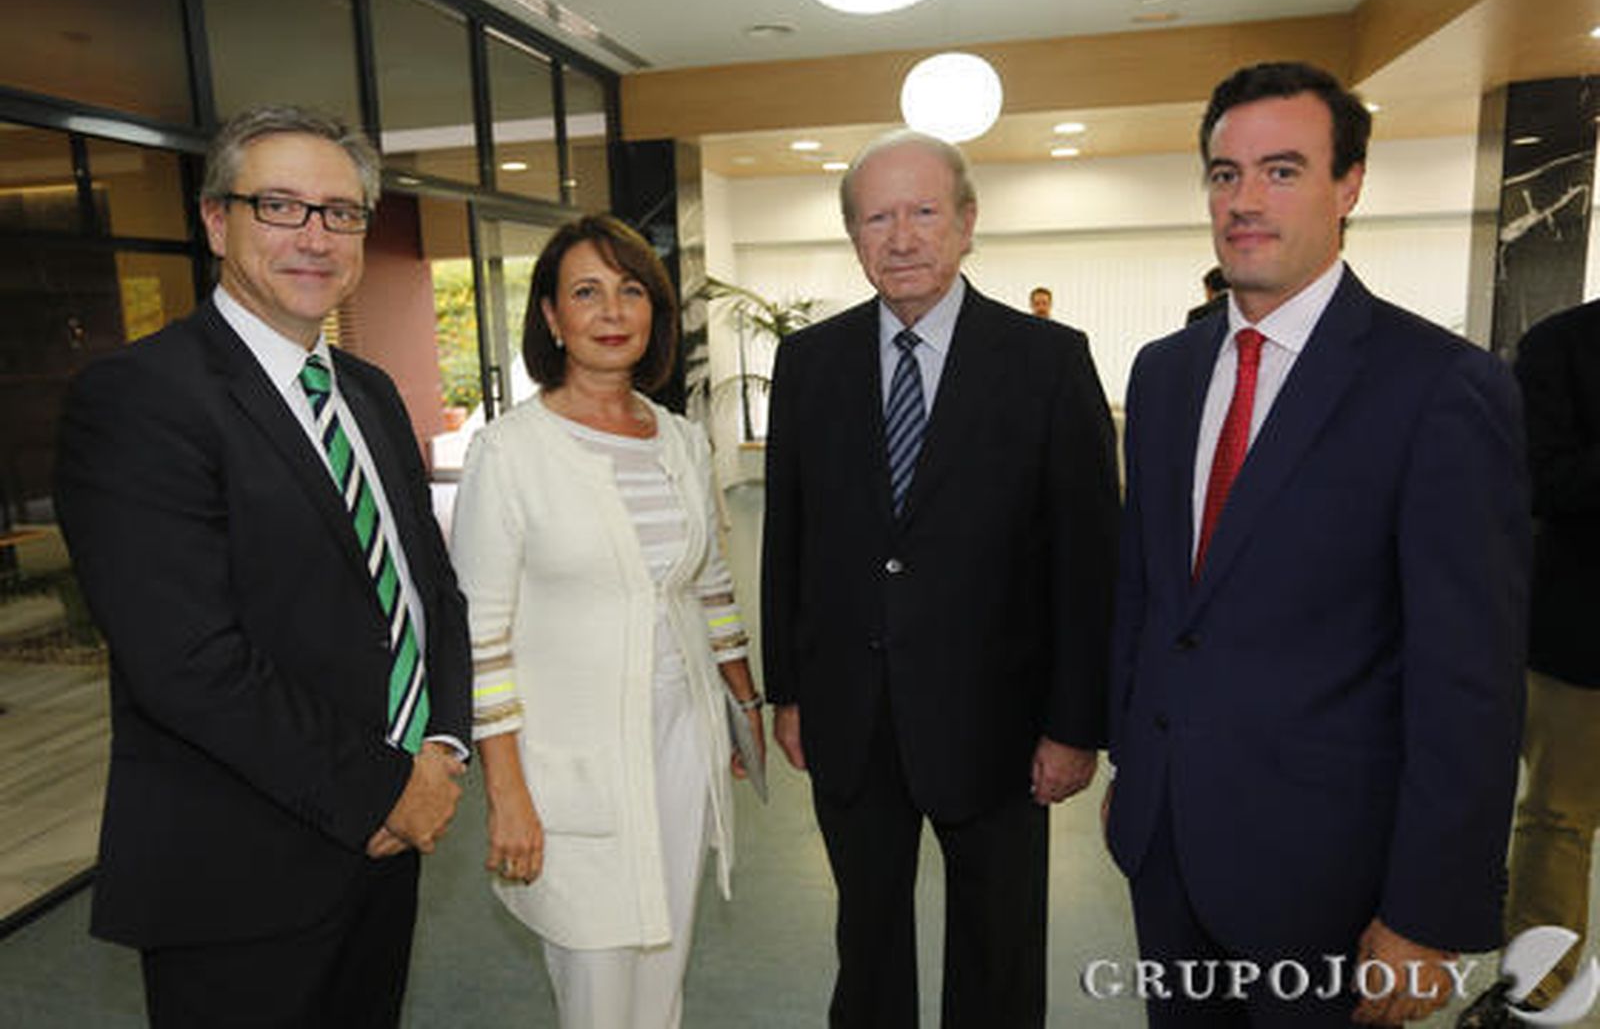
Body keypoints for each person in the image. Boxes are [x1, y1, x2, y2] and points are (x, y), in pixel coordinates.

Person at [1105, 60, 1529, 1026]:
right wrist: (1136, 768)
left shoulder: (1439, 387)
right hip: (1168, 850)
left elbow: (1469, 678)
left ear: (1350, 186)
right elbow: (1150, 595)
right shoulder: (1165, 374)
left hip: (1332, 880)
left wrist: (1427, 911)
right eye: (1225, 174)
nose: (1245, 201)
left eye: (1283, 171)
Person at [54, 105, 471, 1028]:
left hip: (387, 846)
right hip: (241, 875)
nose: (315, 237)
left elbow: (429, 592)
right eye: (279, 206)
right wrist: (385, 788)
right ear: (216, 221)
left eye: (341, 212)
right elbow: (187, 661)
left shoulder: (366, 391)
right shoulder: (140, 398)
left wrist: (441, 748)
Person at [762, 130, 1120, 1028]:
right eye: (876, 217)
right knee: (867, 944)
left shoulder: (1047, 361)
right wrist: (789, 693)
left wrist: (1075, 725)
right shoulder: (809, 363)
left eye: (923, 211)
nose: (902, 237)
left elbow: (1088, 560)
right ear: (854, 235)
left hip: (999, 723)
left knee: (1000, 954)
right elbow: (788, 542)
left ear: (966, 222)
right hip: (853, 713)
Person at [450, 214, 764, 1029]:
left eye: (631, 291)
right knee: (597, 984)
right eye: (586, 292)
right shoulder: (511, 453)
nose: (613, 311)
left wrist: (742, 702)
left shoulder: (680, 440)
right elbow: (480, 639)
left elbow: (710, 582)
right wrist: (507, 793)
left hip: (682, 741)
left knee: (663, 970)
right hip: (571, 762)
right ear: (551, 317)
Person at [1487, 297, 1600, 1019]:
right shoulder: (1563, 345)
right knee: (1561, 821)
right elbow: (1538, 479)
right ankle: (1535, 992)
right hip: (1585, 640)